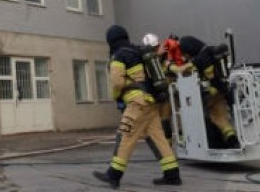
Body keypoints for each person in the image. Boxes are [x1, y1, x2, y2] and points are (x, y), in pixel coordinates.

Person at [94, 25, 182, 189]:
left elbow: (117, 82)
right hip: (151, 103)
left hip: (137, 103)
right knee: (159, 138)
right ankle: (172, 174)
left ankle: (113, 175)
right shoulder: (138, 51)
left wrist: (115, 96)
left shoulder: (119, 55)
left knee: (126, 135)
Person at [178, 35, 241, 149]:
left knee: (205, 115)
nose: (185, 56)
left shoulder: (198, 59)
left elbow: (192, 74)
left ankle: (188, 141)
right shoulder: (212, 50)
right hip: (222, 91)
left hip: (209, 93)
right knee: (220, 117)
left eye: (184, 53)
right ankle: (232, 140)